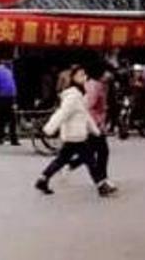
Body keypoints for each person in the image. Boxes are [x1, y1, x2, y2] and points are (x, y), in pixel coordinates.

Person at [35, 65, 117, 197]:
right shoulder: (73, 96)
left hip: (76, 135)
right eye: (80, 75)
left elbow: (86, 116)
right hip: (75, 135)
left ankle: (43, 179)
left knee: (62, 160)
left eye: (84, 74)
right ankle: (101, 185)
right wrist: (49, 129)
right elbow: (62, 113)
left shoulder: (79, 95)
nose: (84, 77)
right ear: (73, 78)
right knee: (90, 161)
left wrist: (95, 131)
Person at [69, 65, 115, 190]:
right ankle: (102, 179)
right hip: (94, 123)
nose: (110, 75)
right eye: (107, 72)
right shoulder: (95, 86)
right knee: (102, 151)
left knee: (93, 150)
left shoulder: (100, 85)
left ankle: (72, 163)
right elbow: (89, 104)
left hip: (95, 122)